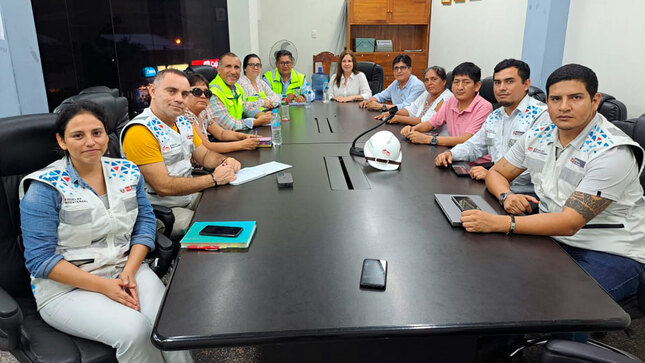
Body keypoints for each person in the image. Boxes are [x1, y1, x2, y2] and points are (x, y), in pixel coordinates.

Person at [19, 101, 193, 363]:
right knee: (135, 331)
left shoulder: (127, 171)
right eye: (78, 135)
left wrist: (129, 271)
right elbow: (39, 260)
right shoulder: (46, 187)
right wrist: (104, 287)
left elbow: (144, 223)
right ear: (62, 140)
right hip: (67, 289)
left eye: (97, 133)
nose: (90, 142)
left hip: (126, 269)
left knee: (168, 322)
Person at [462, 64, 645, 303]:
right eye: (556, 99)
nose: (564, 107)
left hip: (609, 250)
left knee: (558, 301)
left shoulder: (612, 151)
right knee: (490, 275)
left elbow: (570, 222)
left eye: (576, 98)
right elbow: (496, 173)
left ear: (595, 100)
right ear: (547, 101)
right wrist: (507, 196)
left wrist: (500, 222)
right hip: (551, 235)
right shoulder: (541, 131)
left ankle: (568, 338)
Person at [121, 69, 240, 237]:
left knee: (234, 205)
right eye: (171, 91)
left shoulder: (182, 122)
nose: (179, 99)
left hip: (187, 196)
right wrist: (213, 179)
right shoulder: (140, 131)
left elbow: (205, 156)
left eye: (184, 94)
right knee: (216, 226)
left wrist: (225, 161)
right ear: (152, 91)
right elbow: (163, 186)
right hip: (162, 210)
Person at [434, 59, 546, 191]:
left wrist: (494, 176)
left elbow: (536, 167)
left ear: (526, 84)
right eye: (497, 82)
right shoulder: (496, 116)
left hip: (524, 193)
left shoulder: (541, 116)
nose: (501, 88)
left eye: (509, 81)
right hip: (496, 185)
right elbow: (474, 146)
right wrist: (451, 154)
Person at [401, 62, 493, 164]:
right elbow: (431, 123)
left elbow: (466, 140)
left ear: (477, 86)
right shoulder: (452, 101)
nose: (460, 87)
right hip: (452, 156)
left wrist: (429, 139)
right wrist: (412, 129)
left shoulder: (484, 107)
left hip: (477, 164)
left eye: (466, 82)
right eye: (456, 82)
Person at [185, 73, 260, 153]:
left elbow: (221, 133)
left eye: (207, 93)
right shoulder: (186, 117)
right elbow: (207, 147)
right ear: (184, 94)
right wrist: (242, 145)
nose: (203, 96)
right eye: (197, 92)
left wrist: (244, 136)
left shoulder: (203, 113)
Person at [205, 52, 272, 131]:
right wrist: (256, 122)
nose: (233, 71)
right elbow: (228, 125)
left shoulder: (237, 88)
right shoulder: (213, 92)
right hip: (223, 139)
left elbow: (246, 108)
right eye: (228, 66)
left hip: (238, 134)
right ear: (219, 70)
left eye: (236, 67)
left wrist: (261, 115)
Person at [378, 66, 452, 126]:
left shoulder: (446, 98)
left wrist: (398, 118)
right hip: (419, 132)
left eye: (434, 79)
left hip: (435, 138)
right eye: (426, 80)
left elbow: (427, 121)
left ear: (444, 82)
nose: (429, 83)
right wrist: (391, 113)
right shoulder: (427, 93)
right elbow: (411, 110)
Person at [358, 54, 425, 112]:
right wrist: (368, 101)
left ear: (410, 69)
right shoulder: (396, 83)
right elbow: (381, 96)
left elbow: (406, 108)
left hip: (411, 122)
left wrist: (382, 106)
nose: (399, 71)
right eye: (396, 68)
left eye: (402, 68)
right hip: (396, 118)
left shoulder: (417, 86)